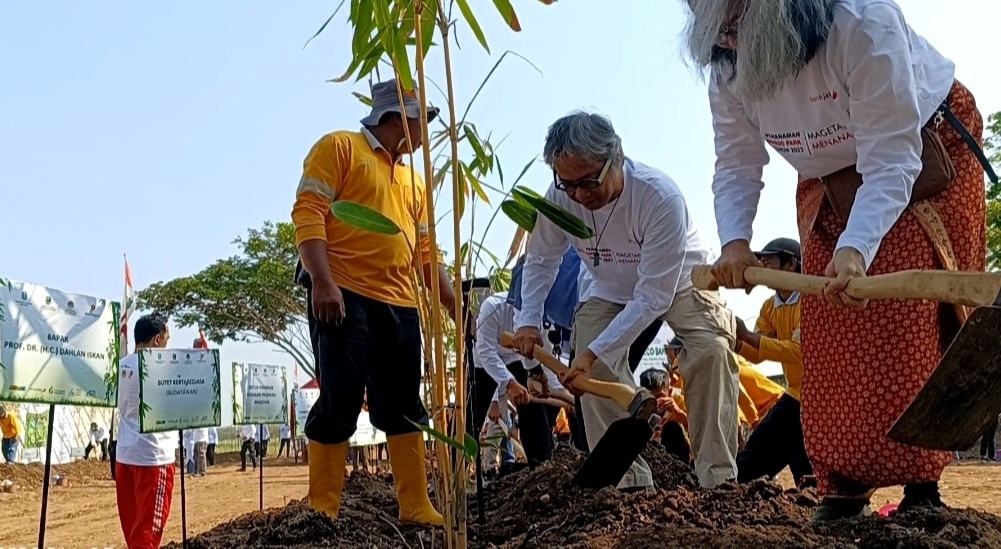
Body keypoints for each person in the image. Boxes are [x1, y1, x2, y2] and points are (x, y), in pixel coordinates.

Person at [687, 0, 992, 520]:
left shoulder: (861, 24)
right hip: (829, 177)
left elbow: (893, 158)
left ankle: (922, 491)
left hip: (920, 151)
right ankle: (842, 487)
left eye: (735, 24)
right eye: (716, 29)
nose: (727, 40)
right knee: (831, 332)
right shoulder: (728, 68)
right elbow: (737, 161)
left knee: (907, 325)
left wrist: (855, 250)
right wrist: (735, 244)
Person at [513, 111, 741, 490]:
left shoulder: (658, 198)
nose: (579, 195)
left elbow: (653, 297)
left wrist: (591, 352)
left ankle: (718, 482)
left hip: (679, 281)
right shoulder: (562, 195)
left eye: (589, 182)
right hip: (607, 288)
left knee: (711, 351)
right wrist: (528, 320)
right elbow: (540, 259)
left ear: (615, 158)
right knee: (593, 375)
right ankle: (629, 485)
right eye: (567, 184)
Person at [291, 78, 455, 525]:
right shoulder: (340, 148)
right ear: (399, 118)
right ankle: (322, 508)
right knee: (340, 397)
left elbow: (426, 254)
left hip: (400, 305)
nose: (428, 131)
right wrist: (322, 283)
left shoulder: (415, 183)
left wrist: (453, 304)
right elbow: (308, 213)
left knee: (404, 402)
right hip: (345, 297)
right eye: (426, 120)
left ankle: (415, 505)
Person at [732, 238, 815, 488]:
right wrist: (734, 341)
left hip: (823, 398)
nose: (762, 263)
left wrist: (747, 336)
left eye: (770, 259)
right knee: (754, 460)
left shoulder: (810, 301)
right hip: (796, 396)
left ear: (791, 264)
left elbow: (799, 352)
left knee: (807, 462)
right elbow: (758, 352)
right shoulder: (771, 306)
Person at [473, 291, 565, 468]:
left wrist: (545, 382)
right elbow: (485, 351)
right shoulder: (492, 308)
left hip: (517, 359)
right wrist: (509, 383)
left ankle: (540, 467)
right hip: (485, 360)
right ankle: (456, 473)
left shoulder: (543, 315)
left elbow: (542, 354)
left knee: (533, 410)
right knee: (472, 417)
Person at [115, 313, 178, 549]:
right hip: (153, 457)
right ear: (157, 340)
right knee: (148, 534)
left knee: (133, 530)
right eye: (167, 339)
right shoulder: (162, 370)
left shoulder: (119, 368)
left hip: (125, 455)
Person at [639, 368, 692, 466]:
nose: (656, 401)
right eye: (651, 397)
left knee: (672, 428)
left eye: (660, 396)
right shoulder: (640, 407)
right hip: (652, 460)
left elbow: (699, 432)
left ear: (670, 392)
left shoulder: (680, 402)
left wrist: (678, 412)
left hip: (677, 457)